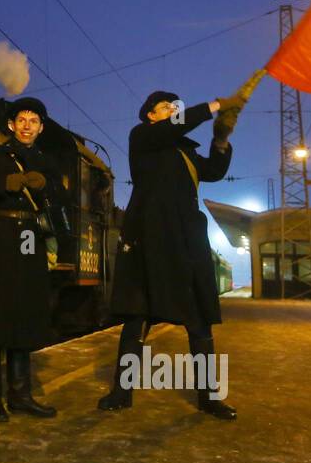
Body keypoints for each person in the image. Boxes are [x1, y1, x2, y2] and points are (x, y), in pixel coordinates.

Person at [97, 88, 248, 419]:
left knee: (199, 321)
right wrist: (216, 105)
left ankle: (209, 397)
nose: (172, 111)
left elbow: (214, 171)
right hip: (149, 238)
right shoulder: (143, 137)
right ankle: (121, 392)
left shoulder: (185, 151)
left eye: (173, 107)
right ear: (151, 115)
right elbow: (177, 125)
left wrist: (221, 140)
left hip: (185, 240)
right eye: (166, 107)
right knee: (137, 317)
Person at [0, 97, 67, 422]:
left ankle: (21, 395)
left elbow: (62, 199)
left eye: (33, 121)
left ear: (41, 128)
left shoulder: (45, 161)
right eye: (21, 119)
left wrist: (46, 185)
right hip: (0, 235)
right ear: (11, 124)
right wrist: (5, 183)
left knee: (25, 313)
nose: (27, 125)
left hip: (31, 238)